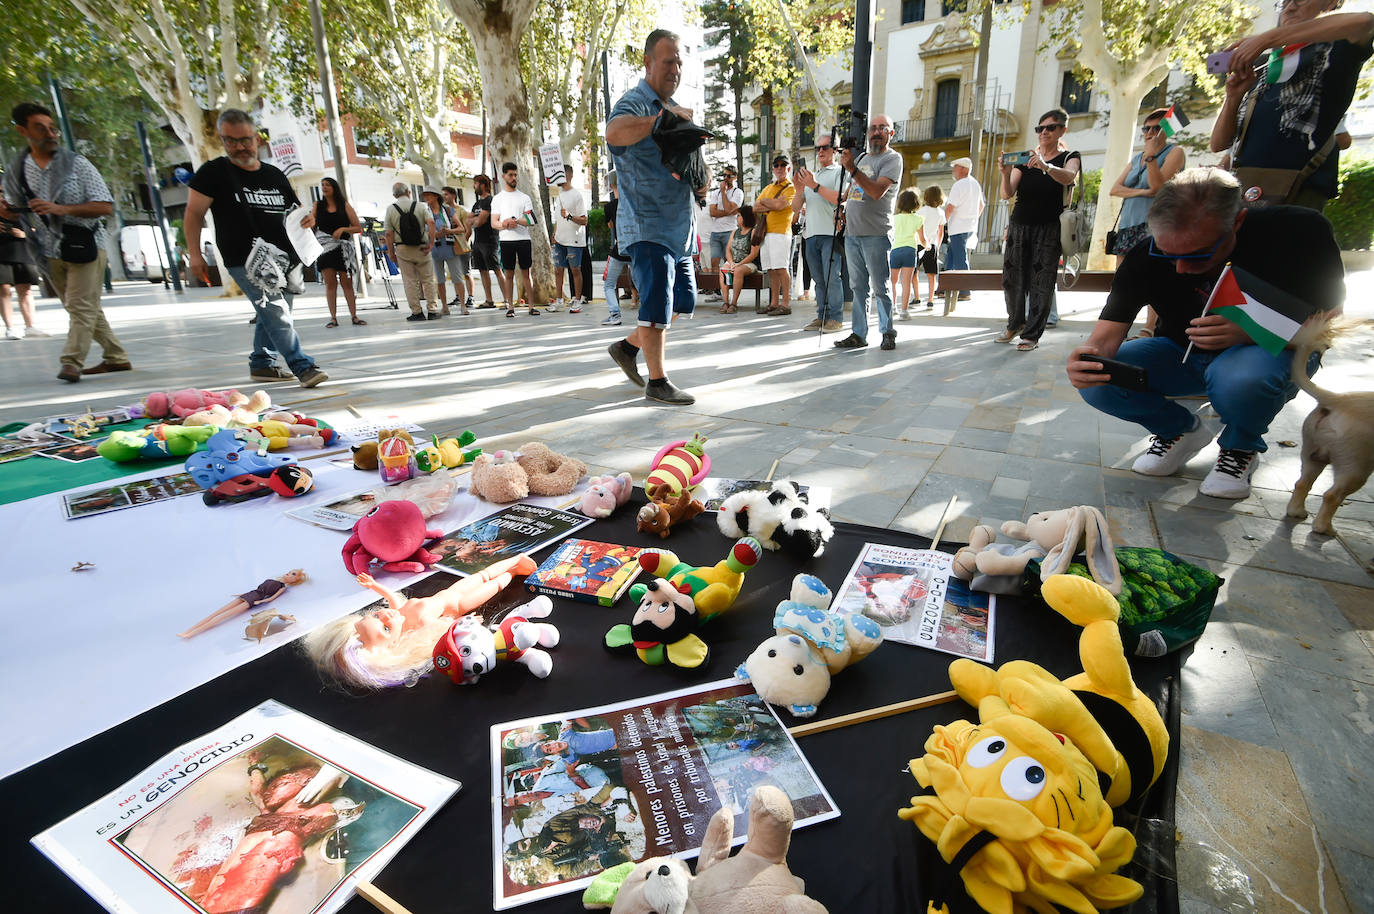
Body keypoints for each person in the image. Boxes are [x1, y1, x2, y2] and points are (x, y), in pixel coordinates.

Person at [1067, 168, 1344, 500]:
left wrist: (1251, 332)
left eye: (1197, 255)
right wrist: (1087, 357)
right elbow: (1105, 338)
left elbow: (1329, 323)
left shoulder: (1298, 232)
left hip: (1269, 358)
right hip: (1181, 353)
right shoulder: (1145, 253)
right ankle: (1180, 432)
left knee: (1241, 377)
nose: (1181, 268)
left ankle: (1240, 448)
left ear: (1238, 222)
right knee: (1100, 379)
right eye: (1169, 255)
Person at [185, 109, 327, 388]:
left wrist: (308, 217)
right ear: (222, 140)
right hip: (246, 258)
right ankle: (302, 365)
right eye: (231, 141)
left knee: (276, 309)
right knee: (275, 309)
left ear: (257, 138)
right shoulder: (214, 173)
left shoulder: (275, 174)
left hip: (286, 257)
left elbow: (294, 210)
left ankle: (262, 363)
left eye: (245, 140)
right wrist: (194, 253)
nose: (240, 147)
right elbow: (193, 213)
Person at [605, 29, 701, 406]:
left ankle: (628, 348)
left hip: (678, 228)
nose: (675, 68)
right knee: (658, 300)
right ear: (648, 63)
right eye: (668, 61)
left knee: (684, 301)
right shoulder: (634, 104)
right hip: (647, 224)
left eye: (679, 61)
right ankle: (657, 381)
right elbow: (613, 132)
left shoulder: (673, 106)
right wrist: (659, 121)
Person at [3, 102, 129, 382]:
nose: (50, 133)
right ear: (23, 131)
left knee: (80, 305)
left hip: (87, 243)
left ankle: (71, 362)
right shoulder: (16, 170)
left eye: (52, 128)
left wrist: (62, 209)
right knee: (81, 307)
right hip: (47, 248)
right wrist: (8, 210)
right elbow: (13, 207)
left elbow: (105, 206)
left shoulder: (77, 163)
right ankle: (117, 357)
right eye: (41, 128)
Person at [1211, 0, 1374, 211]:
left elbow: (1366, 21)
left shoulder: (1339, 46)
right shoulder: (1268, 63)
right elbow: (1218, 144)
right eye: (1284, 2)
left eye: (1300, 0)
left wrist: (1266, 38)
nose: (1289, 7)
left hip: (1296, 191)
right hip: (1243, 192)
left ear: (1330, 4)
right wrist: (1233, 97)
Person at [997, 107, 1081, 352]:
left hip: (1049, 228)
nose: (1044, 132)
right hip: (1019, 225)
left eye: (1050, 128)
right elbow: (1007, 193)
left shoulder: (1069, 156)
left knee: (1041, 282)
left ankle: (1031, 335)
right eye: (1040, 128)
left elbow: (1070, 178)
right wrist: (1004, 173)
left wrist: (1045, 167)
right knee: (1011, 280)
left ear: (1062, 130)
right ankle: (1014, 323)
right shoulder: (1025, 159)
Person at [834, 114, 904, 351]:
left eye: (881, 128)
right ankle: (858, 333)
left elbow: (876, 192)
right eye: (872, 128)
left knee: (880, 286)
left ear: (890, 133)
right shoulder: (863, 157)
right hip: (853, 233)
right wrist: (843, 208)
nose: (875, 132)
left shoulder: (892, 159)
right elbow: (851, 192)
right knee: (858, 287)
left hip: (876, 233)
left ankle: (887, 332)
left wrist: (852, 169)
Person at [1110, 109, 1187, 267]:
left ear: (1166, 131)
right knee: (1120, 279)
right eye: (1146, 128)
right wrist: (1144, 192)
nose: (1150, 132)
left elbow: (1158, 188)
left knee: (1147, 275)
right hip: (1127, 225)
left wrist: (1151, 157)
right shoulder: (1137, 157)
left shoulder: (1174, 152)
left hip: (1154, 225)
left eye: (1156, 128)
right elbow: (1115, 189)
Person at [793, 136, 845, 332]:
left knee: (832, 277)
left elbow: (839, 199)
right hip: (811, 234)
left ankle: (836, 318)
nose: (820, 151)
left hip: (830, 234)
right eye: (818, 148)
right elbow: (795, 207)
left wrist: (814, 185)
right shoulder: (811, 177)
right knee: (818, 279)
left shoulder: (839, 172)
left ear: (835, 150)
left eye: (825, 147)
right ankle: (822, 316)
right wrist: (799, 189)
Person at [385, 182, 440, 322]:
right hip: (422, 247)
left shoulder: (391, 209)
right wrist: (431, 243)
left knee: (410, 281)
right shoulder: (421, 206)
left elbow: (389, 234)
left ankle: (417, 312)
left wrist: (391, 252)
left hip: (402, 248)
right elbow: (431, 223)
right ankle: (432, 310)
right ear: (409, 192)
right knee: (428, 279)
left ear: (394, 195)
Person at [313, 177, 364, 327]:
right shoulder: (318, 205)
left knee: (346, 283)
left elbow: (357, 227)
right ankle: (333, 317)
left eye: (328, 185)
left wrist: (343, 229)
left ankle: (354, 316)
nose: (324, 187)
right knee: (330, 284)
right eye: (322, 185)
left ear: (334, 187)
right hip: (325, 248)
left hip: (342, 248)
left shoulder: (344, 205)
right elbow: (311, 226)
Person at [490, 161, 539, 317]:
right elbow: (494, 223)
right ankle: (510, 306)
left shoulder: (524, 197)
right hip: (506, 241)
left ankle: (531, 306)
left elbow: (531, 220)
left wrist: (516, 221)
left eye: (515, 175)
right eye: (510, 175)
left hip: (524, 240)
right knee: (509, 274)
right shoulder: (497, 199)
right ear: (503, 176)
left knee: (526, 273)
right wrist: (505, 224)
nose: (513, 178)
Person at [753, 154, 796, 316]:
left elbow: (780, 205)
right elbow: (755, 207)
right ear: (773, 168)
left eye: (783, 165)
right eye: (776, 165)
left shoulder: (791, 187)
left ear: (788, 168)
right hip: (767, 233)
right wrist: (771, 204)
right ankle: (774, 303)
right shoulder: (769, 187)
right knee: (771, 269)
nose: (779, 168)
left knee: (781, 268)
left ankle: (785, 304)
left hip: (781, 232)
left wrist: (767, 202)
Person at [943, 156, 984, 298]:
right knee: (952, 255)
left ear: (963, 169)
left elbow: (950, 207)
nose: (953, 170)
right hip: (969, 227)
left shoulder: (959, 185)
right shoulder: (975, 184)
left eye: (956, 167)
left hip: (958, 227)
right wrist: (972, 218)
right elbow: (981, 205)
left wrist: (942, 223)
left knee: (960, 258)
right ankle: (944, 288)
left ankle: (965, 291)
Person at [0, 213, 44, 340]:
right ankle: (10, 327)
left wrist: (24, 234)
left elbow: (40, 229)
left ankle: (30, 326)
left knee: (25, 289)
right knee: (4, 290)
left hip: (22, 249)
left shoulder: (21, 208)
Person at [601, 172, 637, 326]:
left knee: (609, 284)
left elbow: (610, 225)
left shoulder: (609, 207)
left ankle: (615, 314)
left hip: (619, 249)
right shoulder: (634, 204)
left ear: (611, 186)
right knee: (641, 282)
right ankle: (651, 313)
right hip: (635, 248)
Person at [421, 187, 462, 317]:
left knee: (457, 277)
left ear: (436, 196)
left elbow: (461, 228)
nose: (426, 198)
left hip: (450, 246)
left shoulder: (448, 210)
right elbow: (423, 232)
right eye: (425, 195)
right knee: (439, 279)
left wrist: (449, 231)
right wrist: (433, 234)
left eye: (429, 195)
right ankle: (444, 306)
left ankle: (463, 305)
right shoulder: (425, 212)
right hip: (435, 248)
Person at [553, 165, 588, 313]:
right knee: (558, 270)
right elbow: (557, 219)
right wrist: (554, 234)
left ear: (567, 175)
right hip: (560, 239)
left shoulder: (577, 195)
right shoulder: (559, 195)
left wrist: (569, 216)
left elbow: (584, 220)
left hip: (574, 239)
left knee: (575, 269)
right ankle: (559, 300)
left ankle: (578, 300)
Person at [705, 166, 743, 298]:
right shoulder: (715, 193)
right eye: (724, 175)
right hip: (715, 232)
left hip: (729, 231)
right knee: (714, 262)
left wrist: (724, 193)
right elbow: (712, 212)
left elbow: (730, 208)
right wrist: (727, 211)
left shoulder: (738, 192)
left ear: (735, 177)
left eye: (729, 176)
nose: (726, 178)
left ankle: (729, 289)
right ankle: (718, 291)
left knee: (730, 263)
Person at [720, 205, 764, 313]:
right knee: (723, 270)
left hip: (748, 263)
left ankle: (734, 303)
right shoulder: (735, 232)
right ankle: (725, 302)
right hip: (734, 262)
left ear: (745, 217)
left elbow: (754, 254)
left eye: (739, 216)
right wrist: (731, 263)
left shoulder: (753, 232)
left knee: (738, 271)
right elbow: (728, 250)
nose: (737, 218)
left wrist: (738, 265)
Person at [889, 190, 923, 320]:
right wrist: (927, 246)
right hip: (910, 250)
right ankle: (904, 311)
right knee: (906, 283)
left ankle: (893, 307)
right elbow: (922, 239)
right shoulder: (918, 219)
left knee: (893, 281)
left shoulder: (894, 218)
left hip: (895, 250)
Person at [442, 185, 474, 314]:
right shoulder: (443, 211)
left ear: (453, 195)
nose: (444, 197)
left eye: (446, 194)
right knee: (454, 273)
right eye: (443, 195)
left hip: (461, 246)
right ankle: (458, 296)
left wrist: (463, 242)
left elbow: (468, 229)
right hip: (449, 247)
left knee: (466, 272)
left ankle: (470, 297)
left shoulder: (461, 211)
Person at [469, 174, 500, 308]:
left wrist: (475, 220)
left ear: (482, 185)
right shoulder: (477, 203)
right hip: (477, 241)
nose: (474, 186)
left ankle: (506, 299)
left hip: (490, 240)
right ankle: (489, 300)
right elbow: (468, 220)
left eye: (476, 183)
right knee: (482, 270)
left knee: (497, 269)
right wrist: (475, 220)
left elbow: (480, 221)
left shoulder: (490, 201)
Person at [917, 185, 946, 309]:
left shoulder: (921, 211)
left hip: (919, 244)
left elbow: (917, 227)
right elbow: (941, 232)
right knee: (932, 274)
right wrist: (937, 247)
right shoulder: (941, 212)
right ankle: (930, 299)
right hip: (932, 245)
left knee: (914, 272)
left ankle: (917, 297)